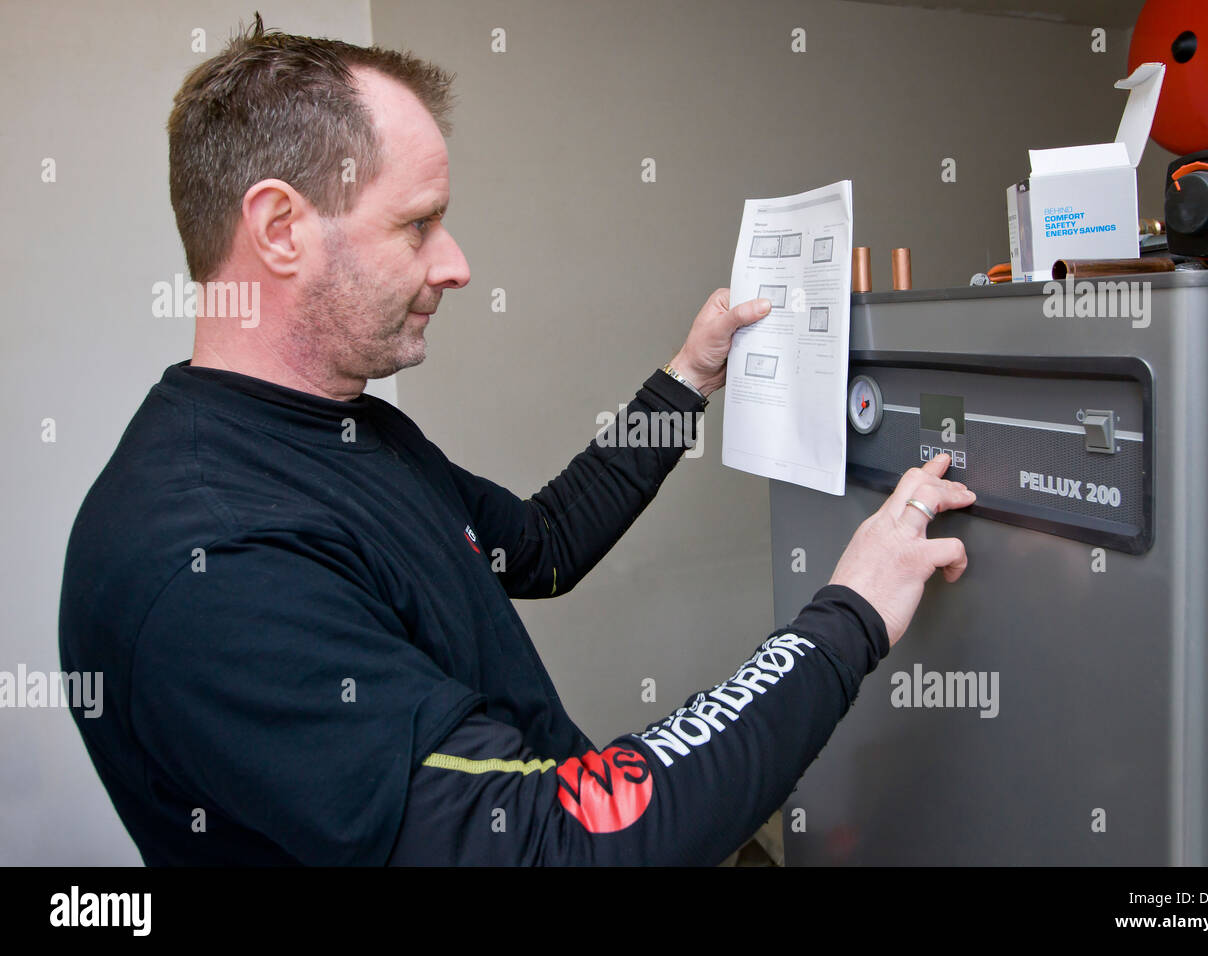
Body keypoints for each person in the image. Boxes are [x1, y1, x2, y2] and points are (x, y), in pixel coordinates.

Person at [58, 17, 974, 866]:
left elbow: (538, 543)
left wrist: (690, 376)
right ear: (282, 229)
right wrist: (849, 613)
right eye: (417, 223)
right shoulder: (209, 564)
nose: (456, 264)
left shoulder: (348, 426)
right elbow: (543, 843)